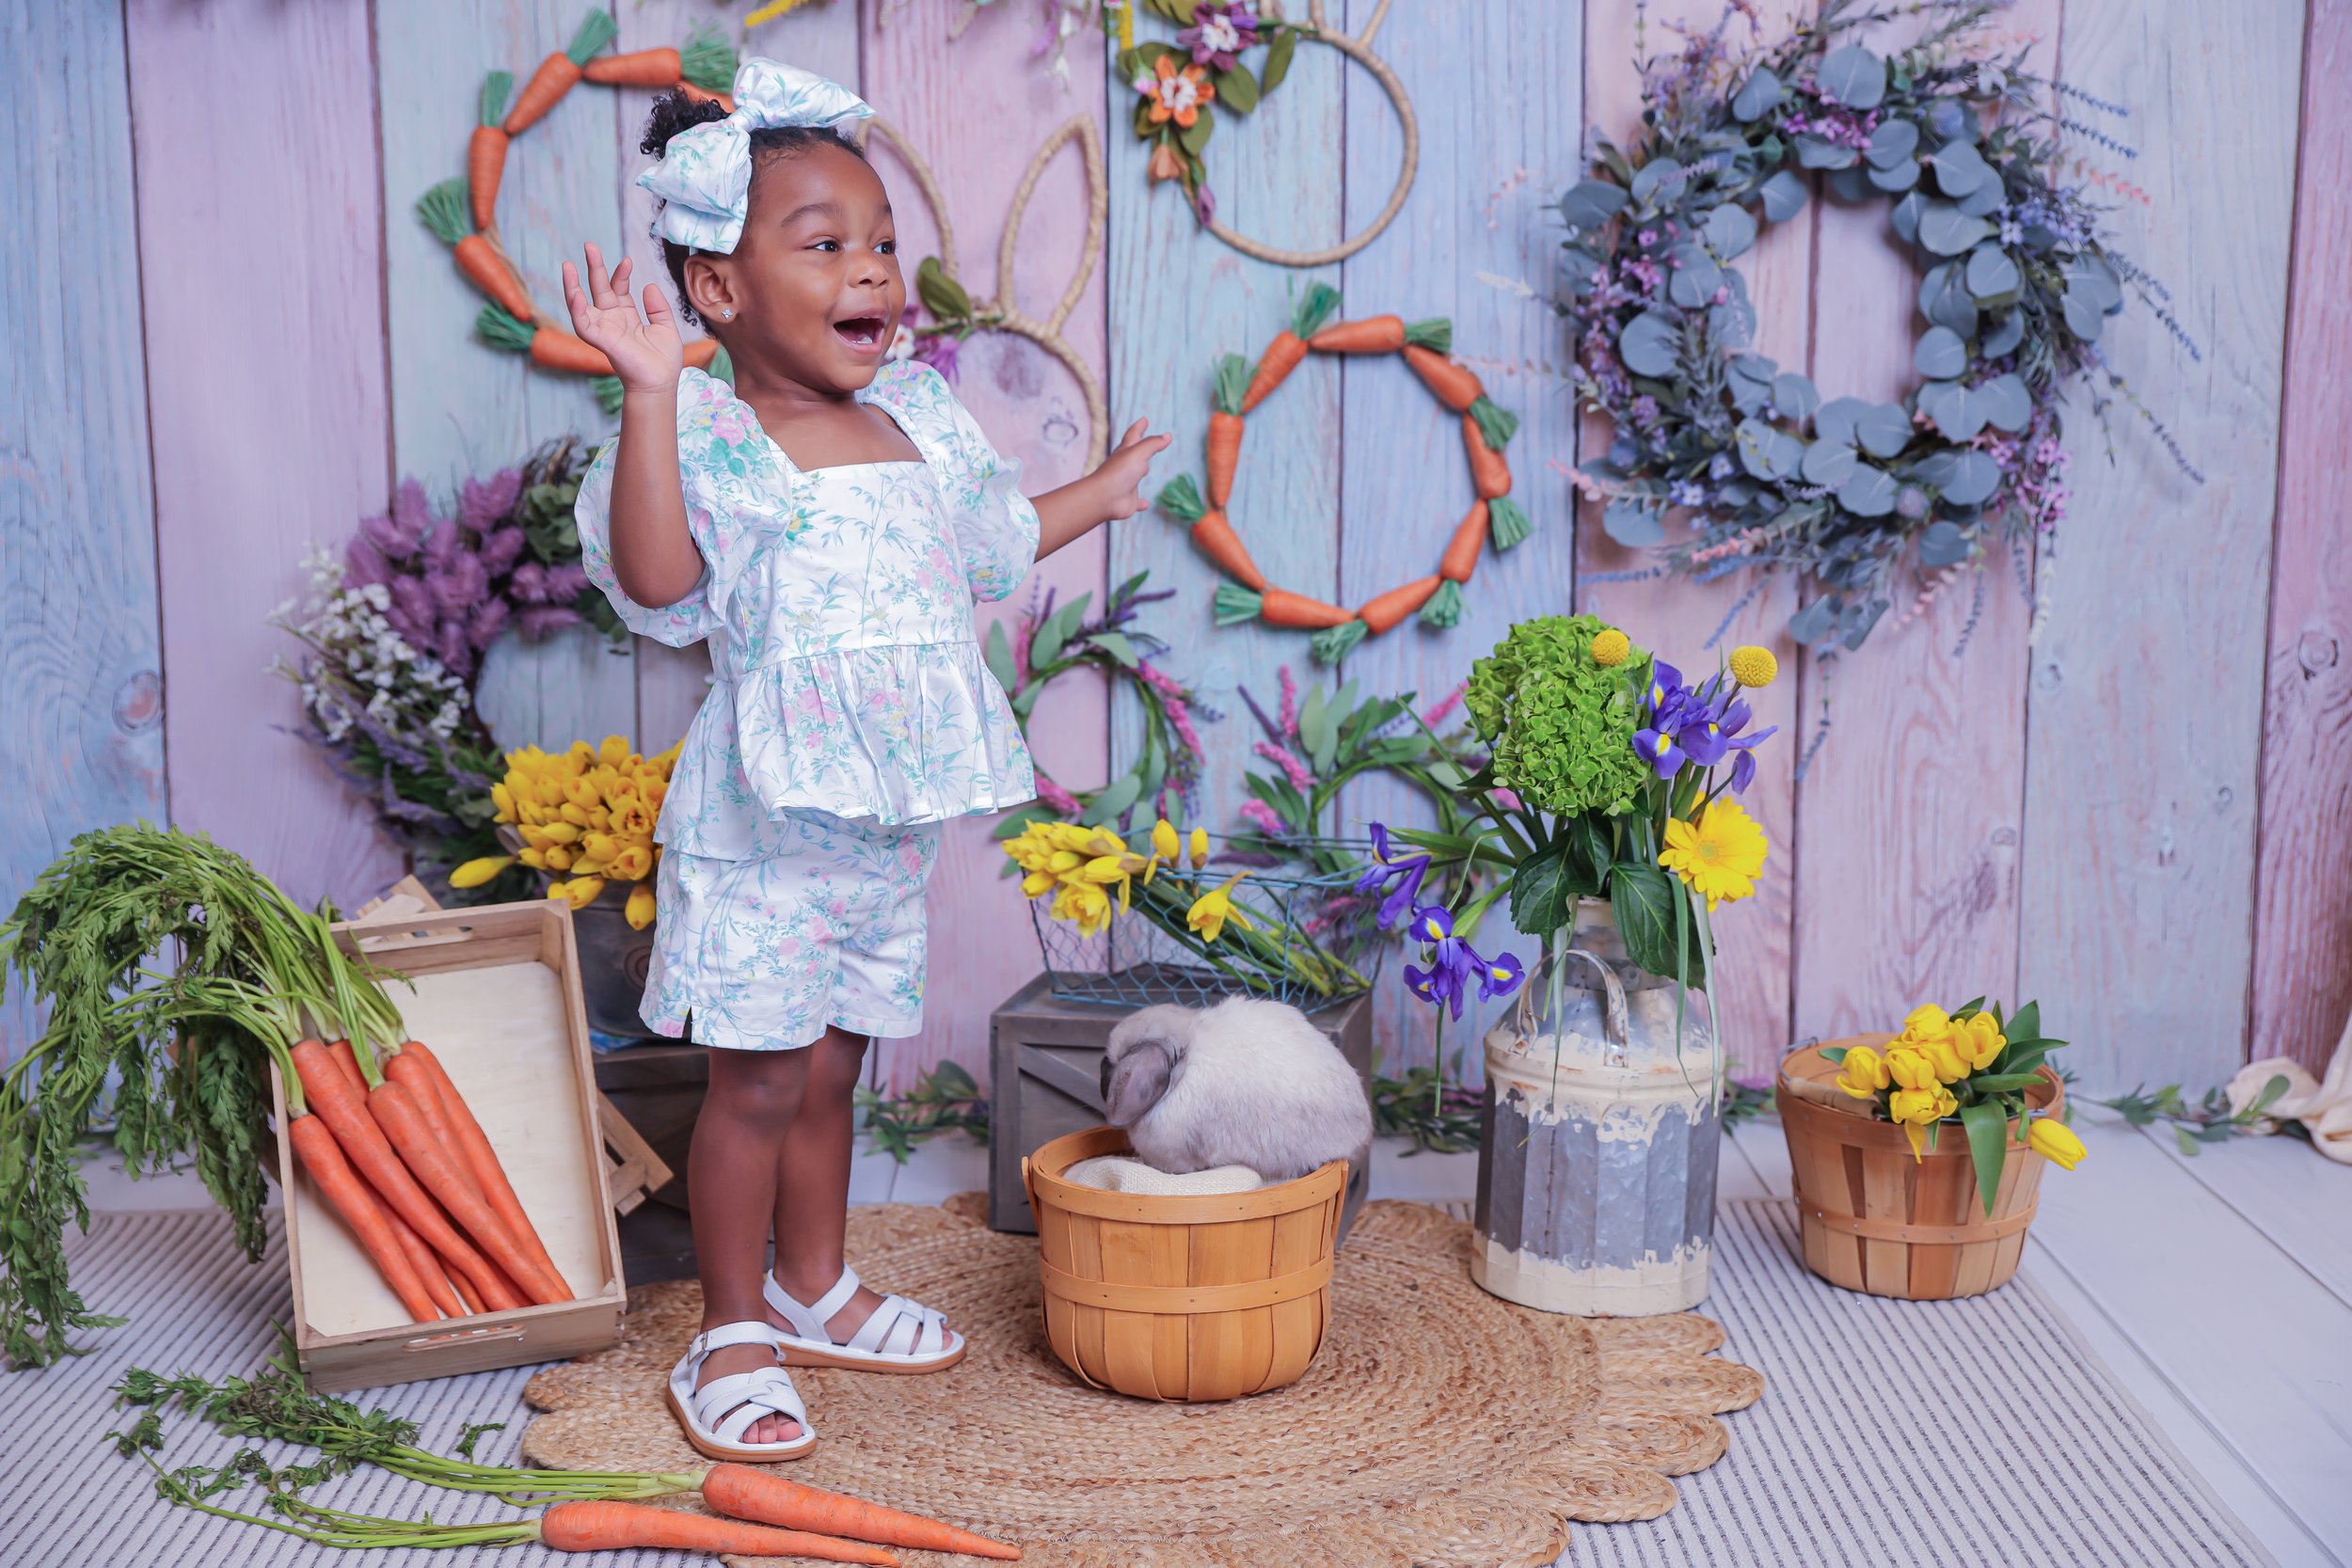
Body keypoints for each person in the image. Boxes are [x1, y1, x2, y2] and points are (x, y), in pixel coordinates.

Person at [564, 58, 1168, 1462]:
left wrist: (1105, 492)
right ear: (717, 292)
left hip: (880, 825)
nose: (873, 270)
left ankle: (813, 1279)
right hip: (763, 829)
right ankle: (729, 1327)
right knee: (756, 1083)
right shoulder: (712, 435)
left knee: (836, 1067)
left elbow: (987, 549)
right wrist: (650, 392)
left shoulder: (917, 421)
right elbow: (657, 583)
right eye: (825, 244)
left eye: (884, 243)